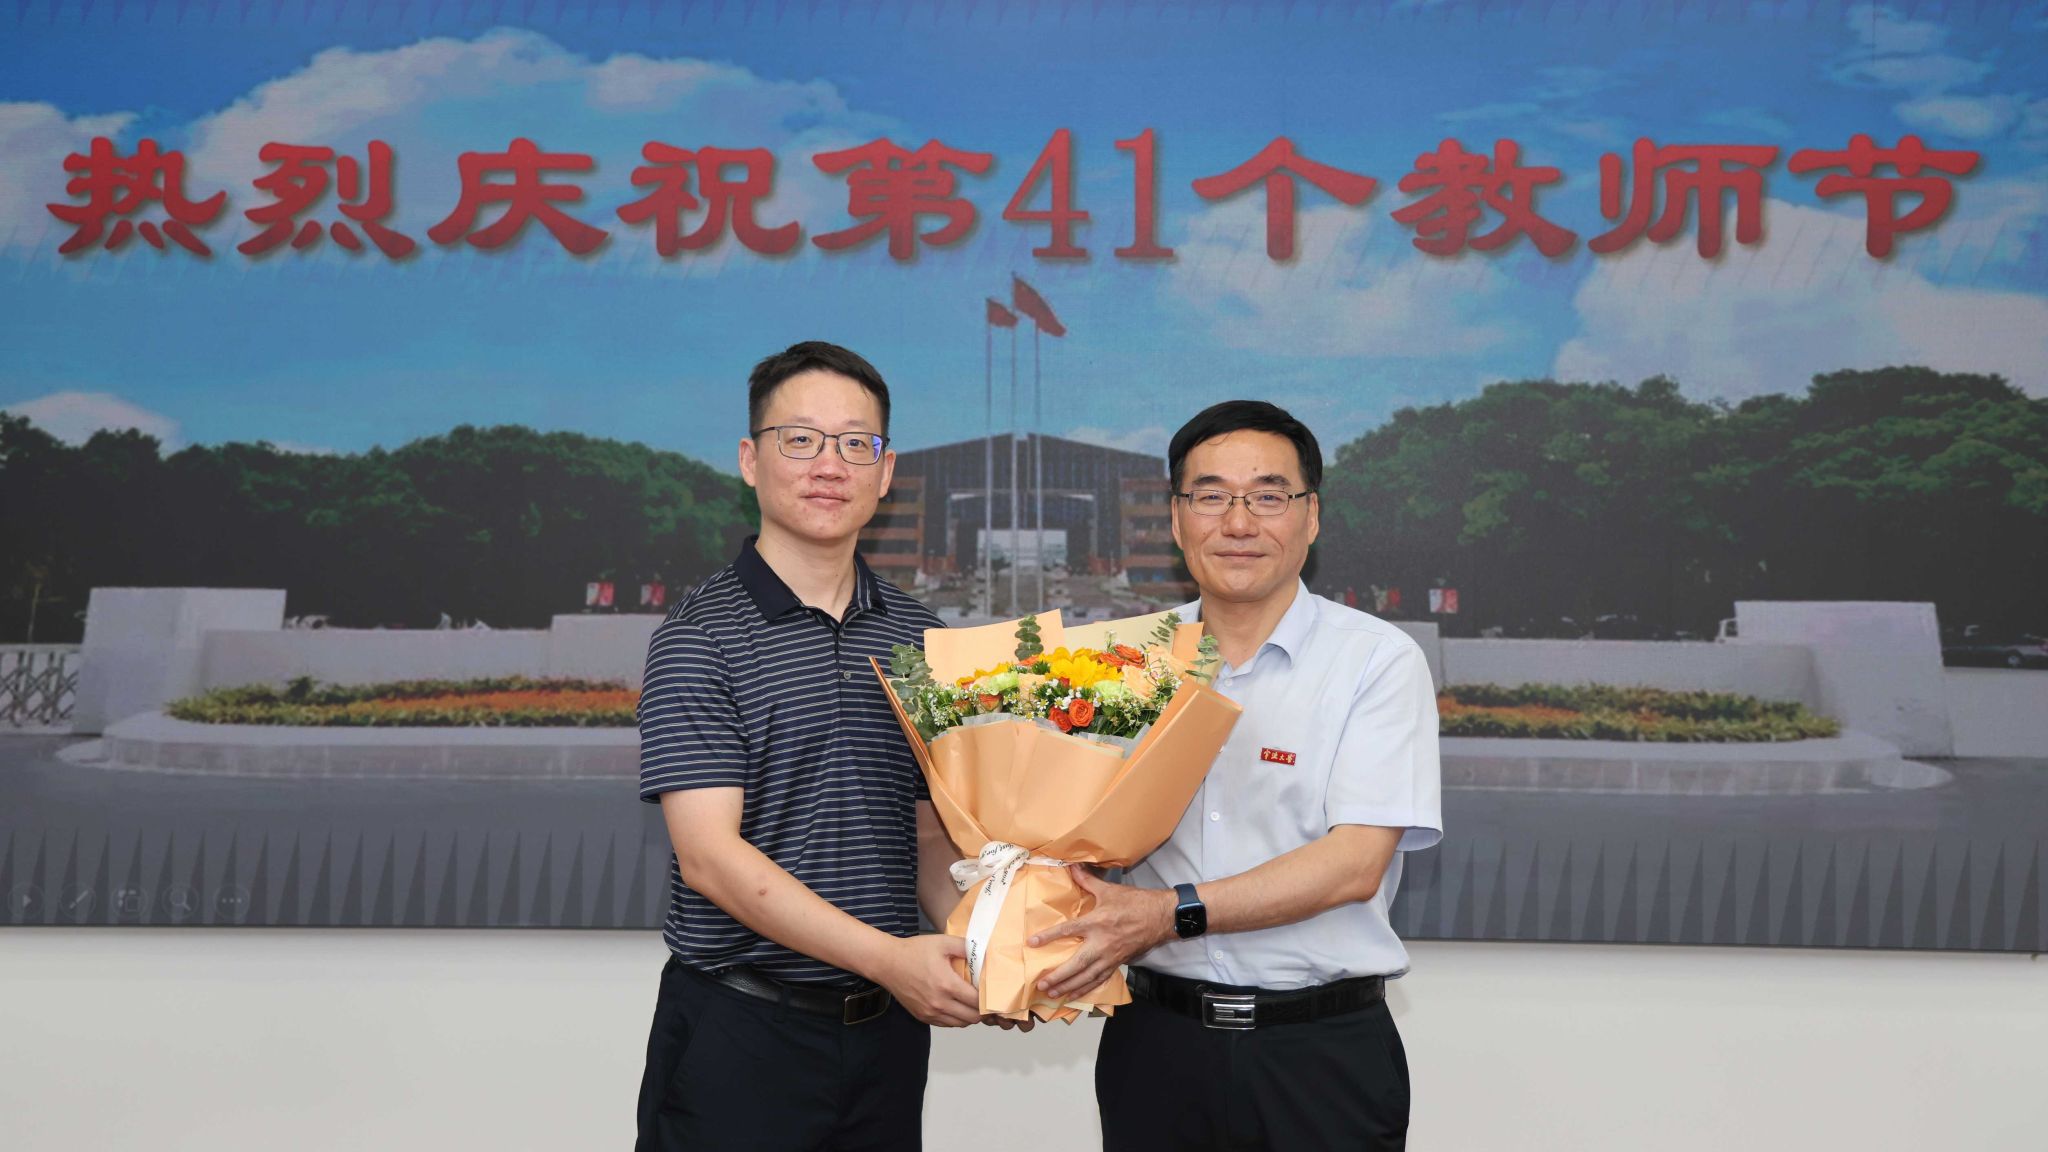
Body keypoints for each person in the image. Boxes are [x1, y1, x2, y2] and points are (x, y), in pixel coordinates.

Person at [1029, 399, 1444, 1151]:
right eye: (1212, 496)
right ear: (1177, 518)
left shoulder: (1375, 661)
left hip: (1319, 1055)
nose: (1239, 523)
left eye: (1268, 497)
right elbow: (1069, 836)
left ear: (1311, 517)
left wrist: (1167, 914)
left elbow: (1355, 864)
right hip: (1154, 1047)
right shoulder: (1121, 666)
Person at [633, 342, 977, 1152]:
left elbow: (928, 835)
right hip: (740, 1032)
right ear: (751, 460)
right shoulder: (698, 638)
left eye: (856, 443)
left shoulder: (923, 640)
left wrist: (990, 946)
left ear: (885, 473)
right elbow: (710, 859)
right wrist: (891, 959)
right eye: (801, 439)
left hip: (887, 1040)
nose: (830, 465)